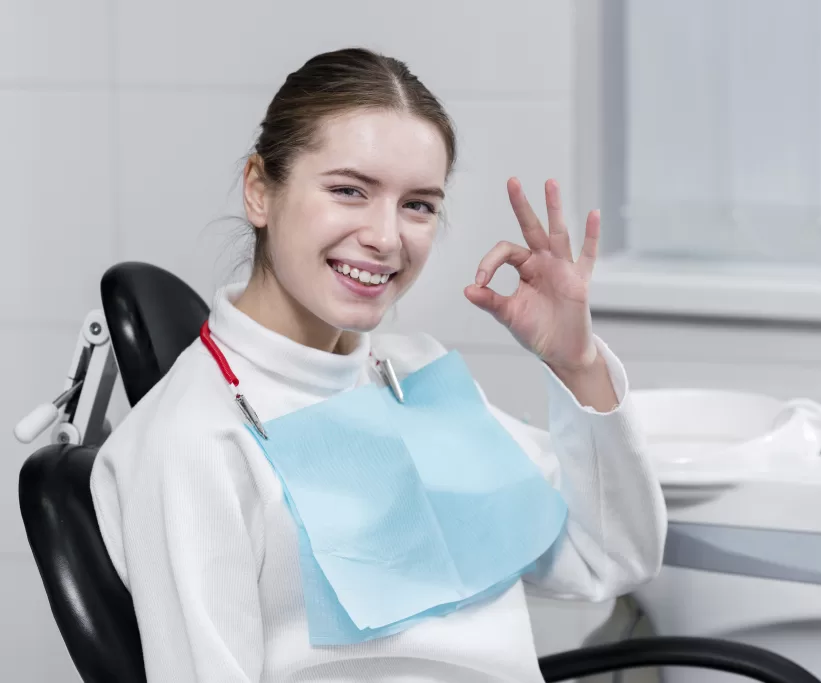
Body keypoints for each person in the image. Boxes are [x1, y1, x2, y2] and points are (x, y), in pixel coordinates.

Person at [90, 47, 667, 683]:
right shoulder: (195, 441)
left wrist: (576, 361)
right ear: (260, 189)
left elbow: (607, 558)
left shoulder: (415, 372)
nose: (387, 238)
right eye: (348, 191)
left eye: (418, 204)